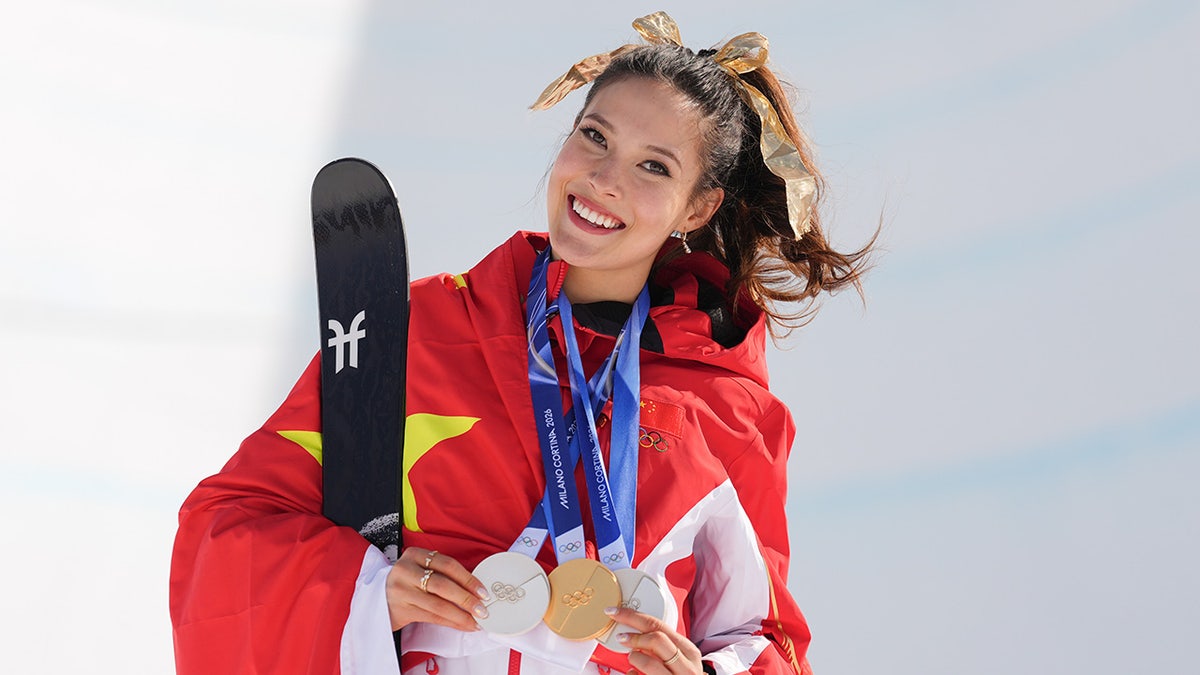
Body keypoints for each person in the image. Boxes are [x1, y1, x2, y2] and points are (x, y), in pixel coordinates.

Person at [170, 12, 871, 675]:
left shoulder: (724, 404)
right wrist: (369, 590)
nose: (602, 178)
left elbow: (765, 637)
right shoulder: (421, 333)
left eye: (653, 166)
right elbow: (222, 536)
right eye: (594, 135)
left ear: (698, 207)